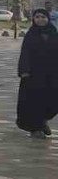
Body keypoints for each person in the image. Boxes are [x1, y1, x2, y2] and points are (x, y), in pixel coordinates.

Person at [17, 8, 58, 138]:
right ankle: (35, 128)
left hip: (52, 74)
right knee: (34, 101)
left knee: (52, 100)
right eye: (37, 17)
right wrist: (24, 71)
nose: (41, 19)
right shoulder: (31, 35)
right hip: (34, 75)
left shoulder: (54, 33)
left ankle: (43, 120)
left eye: (43, 17)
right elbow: (25, 54)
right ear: (33, 20)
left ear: (48, 18)